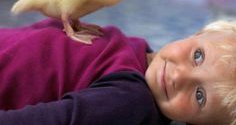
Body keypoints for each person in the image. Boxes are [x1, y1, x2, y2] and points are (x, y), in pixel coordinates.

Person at [0, 18, 235, 125]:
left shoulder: (130, 102)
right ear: (199, 33)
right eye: (197, 56)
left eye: (200, 96)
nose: (179, 77)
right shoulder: (139, 52)